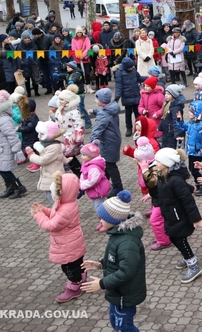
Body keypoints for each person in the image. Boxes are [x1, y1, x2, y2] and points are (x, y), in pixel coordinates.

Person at [81, 190, 147, 332]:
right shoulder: (118, 235)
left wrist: (101, 283)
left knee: (124, 328)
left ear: (113, 220)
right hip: (118, 293)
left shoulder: (127, 242)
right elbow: (117, 260)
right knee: (117, 324)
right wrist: (100, 264)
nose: (100, 220)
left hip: (124, 295)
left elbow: (126, 271)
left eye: (102, 218)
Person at [31, 172, 87, 303]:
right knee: (78, 263)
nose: (52, 196)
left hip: (67, 245)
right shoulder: (66, 203)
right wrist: (44, 210)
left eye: (54, 194)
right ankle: (81, 279)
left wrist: (38, 215)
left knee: (68, 267)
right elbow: (55, 216)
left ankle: (75, 286)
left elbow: (51, 225)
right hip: (73, 242)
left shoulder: (65, 209)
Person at [154, 148, 202, 283]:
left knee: (180, 240)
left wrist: (196, 219)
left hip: (179, 216)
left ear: (166, 163)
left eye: (158, 161)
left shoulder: (174, 179)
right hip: (170, 214)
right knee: (174, 238)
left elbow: (188, 200)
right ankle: (188, 257)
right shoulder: (163, 175)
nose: (155, 163)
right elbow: (176, 189)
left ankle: (193, 265)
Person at [0, 90, 27, 199]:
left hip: (6, 148)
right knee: (0, 168)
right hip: (0, 147)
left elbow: (11, 135)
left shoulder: (3, 119)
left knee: (3, 168)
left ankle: (18, 186)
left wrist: (16, 149)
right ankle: (10, 186)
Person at [89, 88, 123, 197]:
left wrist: (90, 144)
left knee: (110, 164)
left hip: (108, 142)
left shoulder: (103, 114)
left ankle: (118, 186)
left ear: (102, 101)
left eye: (97, 98)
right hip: (113, 140)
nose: (95, 100)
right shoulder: (111, 107)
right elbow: (104, 112)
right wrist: (95, 111)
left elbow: (97, 129)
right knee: (107, 163)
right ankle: (105, 182)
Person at [25, 121, 66, 203]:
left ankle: (60, 212)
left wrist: (31, 155)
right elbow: (60, 156)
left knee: (53, 196)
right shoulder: (49, 144)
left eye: (42, 133)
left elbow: (43, 160)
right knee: (51, 195)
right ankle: (60, 211)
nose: (39, 135)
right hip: (50, 173)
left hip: (53, 175)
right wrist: (67, 160)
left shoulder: (53, 146)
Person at [177, 100, 202, 196]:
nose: (189, 114)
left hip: (197, 151)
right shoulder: (190, 122)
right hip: (191, 150)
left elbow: (201, 135)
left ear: (197, 113)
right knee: (192, 168)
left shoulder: (201, 124)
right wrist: (179, 120)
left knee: (194, 169)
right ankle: (199, 183)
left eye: (191, 112)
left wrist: (197, 123)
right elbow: (183, 127)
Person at [79, 141, 111, 230]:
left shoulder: (93, 168)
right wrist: (81, 182)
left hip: (99, 190)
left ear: (91, 156)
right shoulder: (86, 164)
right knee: (96, 206)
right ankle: (102, 221)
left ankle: (107, 222)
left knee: (99, 207)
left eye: (84, 155)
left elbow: (93, 181)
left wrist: (82, 185)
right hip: (94, 190)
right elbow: (83, 175)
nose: (81, 157)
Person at [114, 57, 145, 136]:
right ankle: (129, 128)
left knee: (138, 113)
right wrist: (117, 96)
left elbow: (139, 78)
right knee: (128, 114)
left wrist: (149, 78)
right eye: (131, 67)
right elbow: (118, 86)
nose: (132, 67)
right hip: (127, 97)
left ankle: (138, 128)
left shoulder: (134, 71)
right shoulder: (119, 73)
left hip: (136, 95)